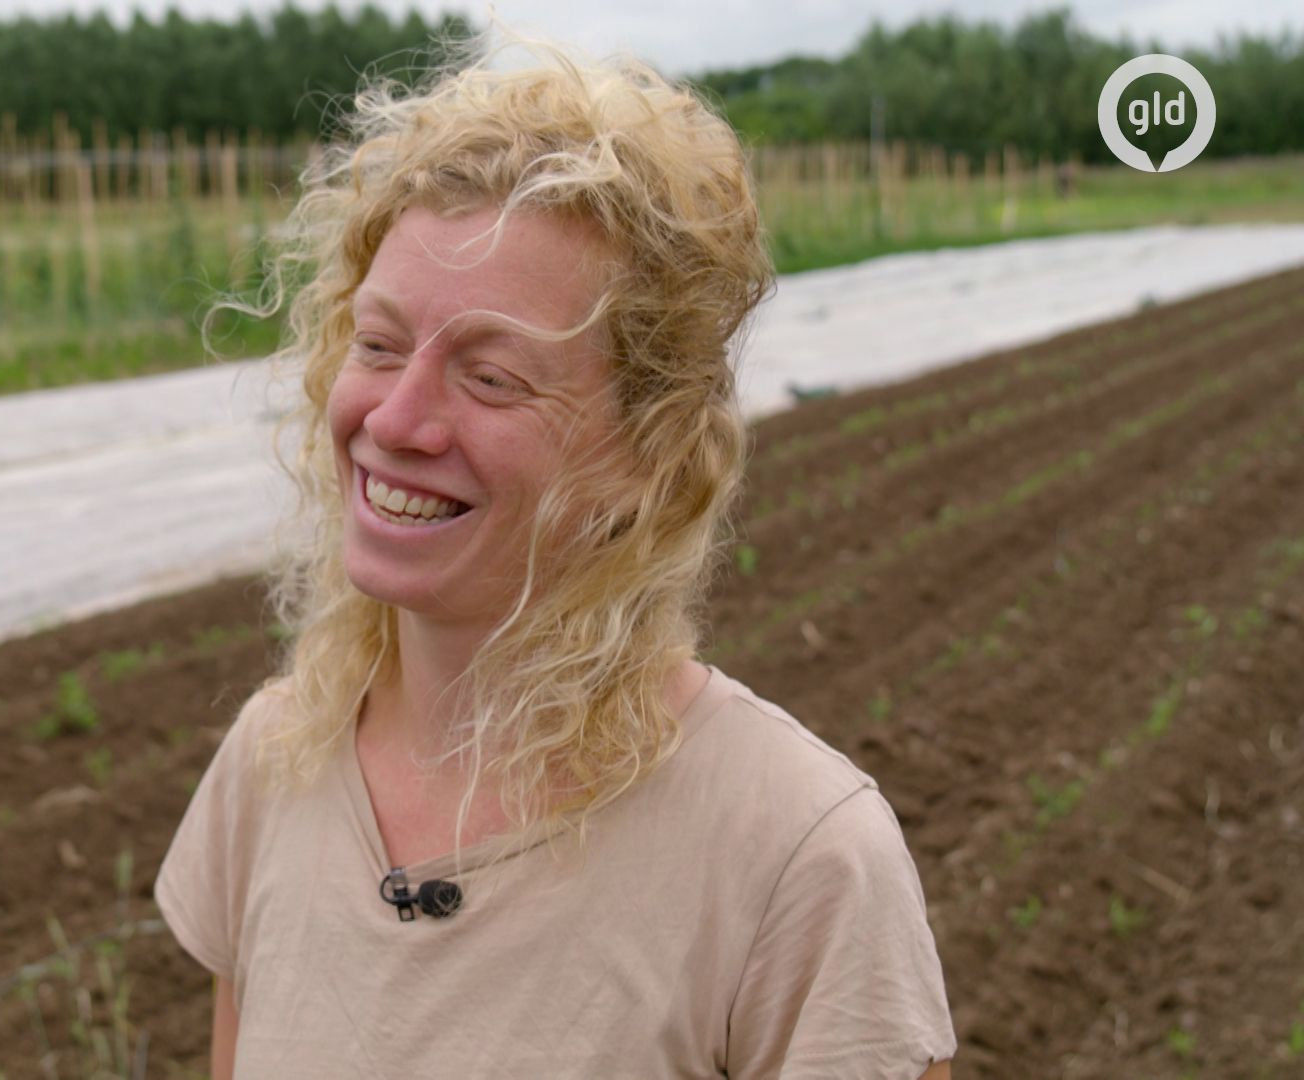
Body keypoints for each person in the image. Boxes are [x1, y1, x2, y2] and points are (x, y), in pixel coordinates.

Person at [155, 29, 958, 1079]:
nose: (395, 419)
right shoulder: (274, 764)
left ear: (646, 453)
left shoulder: (797, 860)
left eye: (491, 377)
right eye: (380, 343)